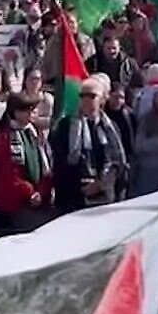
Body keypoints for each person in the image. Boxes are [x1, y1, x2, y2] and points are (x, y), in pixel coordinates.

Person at [50, 74, 128, 213]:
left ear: (102, 99)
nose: (86, 100)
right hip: (74, 198)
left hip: (105, 198)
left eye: (91, 96)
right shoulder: (65, 126)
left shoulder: (110, 128)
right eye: (82, 95)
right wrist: (80, 186)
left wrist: (100, 184)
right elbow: (60, 161)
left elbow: (117, 162)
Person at [0, 93, 54, 232]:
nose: (30, 114)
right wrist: (30, 193)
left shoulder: (33, 131)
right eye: (26, 110)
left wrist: (42, 191)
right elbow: (10, 174)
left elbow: (43, 163)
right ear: (15, 112)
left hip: (39, 197)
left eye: (32, 109)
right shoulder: (6, 137)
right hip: (19, 202)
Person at [21, 67, 54, 131]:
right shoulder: (20, 98)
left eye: (37, 79)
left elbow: (51, 121)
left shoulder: (47, 99)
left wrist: (36, 120)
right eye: (31, 79)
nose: (34, 82)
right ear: (25, 80)